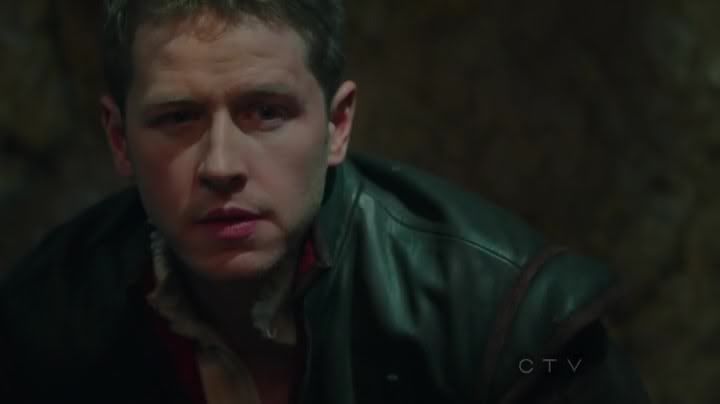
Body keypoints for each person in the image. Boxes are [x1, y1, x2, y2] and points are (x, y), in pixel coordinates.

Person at [0, 0, 651, 403]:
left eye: (266, 112)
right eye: (177, 118)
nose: (221, 165)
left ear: (337, 125)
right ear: (119, 139)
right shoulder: (44, 320)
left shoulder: (507, 322)